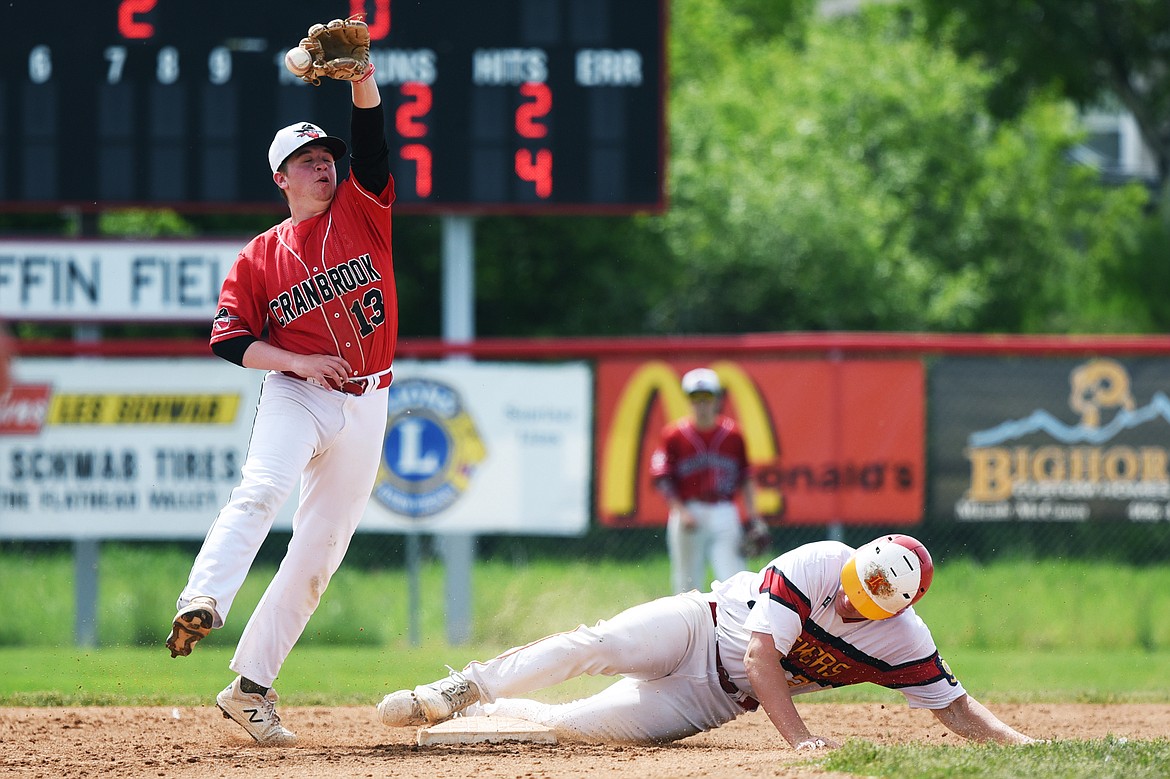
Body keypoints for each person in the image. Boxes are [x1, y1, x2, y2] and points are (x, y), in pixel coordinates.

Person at [164, 20, 397, 745]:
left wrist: (363, 78)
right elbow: (230, 340)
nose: (323, 164)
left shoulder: (366, 210)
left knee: (321, 549)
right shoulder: (260, 257)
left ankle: (250, 689)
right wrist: (295, 362)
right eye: (307, 158)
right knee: (263, 487)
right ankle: (203, 595)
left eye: (326, 153)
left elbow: (374, 138)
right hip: (299, 395)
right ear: (281, 178)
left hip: (371, 398)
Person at [376, 534, 1038, 748]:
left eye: (868, 600)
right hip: (702, 622)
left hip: (710, 703)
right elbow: (760, 654)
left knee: (570, 730)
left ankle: (476, 721)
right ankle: (459, 688)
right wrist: (802, 740)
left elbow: (954, 704)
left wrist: (1024, 749)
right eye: (854, 581)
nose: (850, 597)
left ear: (897, 610)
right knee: (595, 642)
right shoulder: (821, 562)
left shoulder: (903, 640)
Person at [651, 367, 769, 594]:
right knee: (686, 583)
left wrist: (754, 517)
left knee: (735, 580)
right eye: (696, 397)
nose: (702, 403)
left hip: (723, 510)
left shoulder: (733, 435)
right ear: (688, 400)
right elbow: (662, 478)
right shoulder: (673, 435)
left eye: (707, 397)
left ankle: (737, 627)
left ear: (716, 399)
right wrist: (680, 511)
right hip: (689, 510)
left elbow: (745, 478)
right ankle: (687, 629)